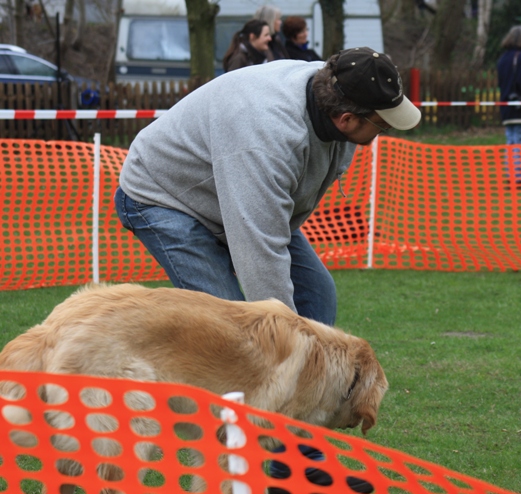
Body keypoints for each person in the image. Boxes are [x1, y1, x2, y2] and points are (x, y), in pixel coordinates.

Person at [114, 48, 421, 328]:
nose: (385, 130)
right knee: (230, 323)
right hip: (164, 196)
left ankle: (304, 375)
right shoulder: (267, 139)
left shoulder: (337, 85)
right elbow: (260, 255)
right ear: (347, 119)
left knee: (317, 295)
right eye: (382, 125)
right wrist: (286, 337)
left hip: (229, 191)